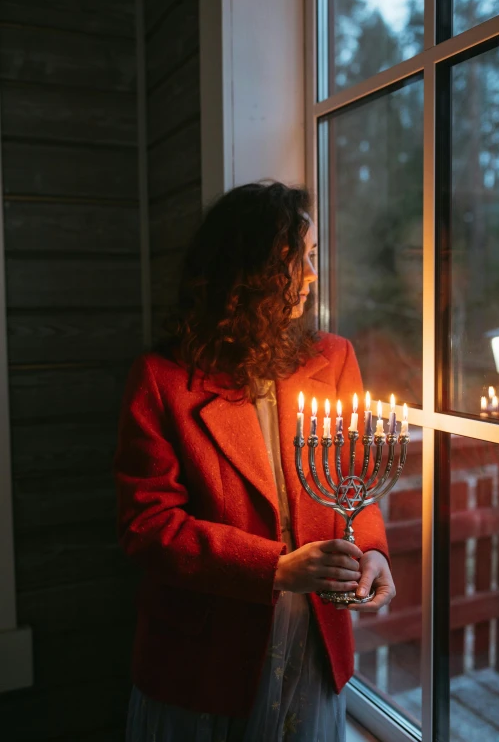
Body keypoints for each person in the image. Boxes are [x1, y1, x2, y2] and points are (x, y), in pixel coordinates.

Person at [114, 181, 395, 741]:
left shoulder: (333, 358)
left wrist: (372, 552)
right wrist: (273, 566)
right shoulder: (163, 379)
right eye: (299, 259)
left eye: (314, 257)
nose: (312, 275)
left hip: (315, 632)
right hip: (206, 650)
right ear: (249, 270)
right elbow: (148, 526)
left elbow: (353, 482)